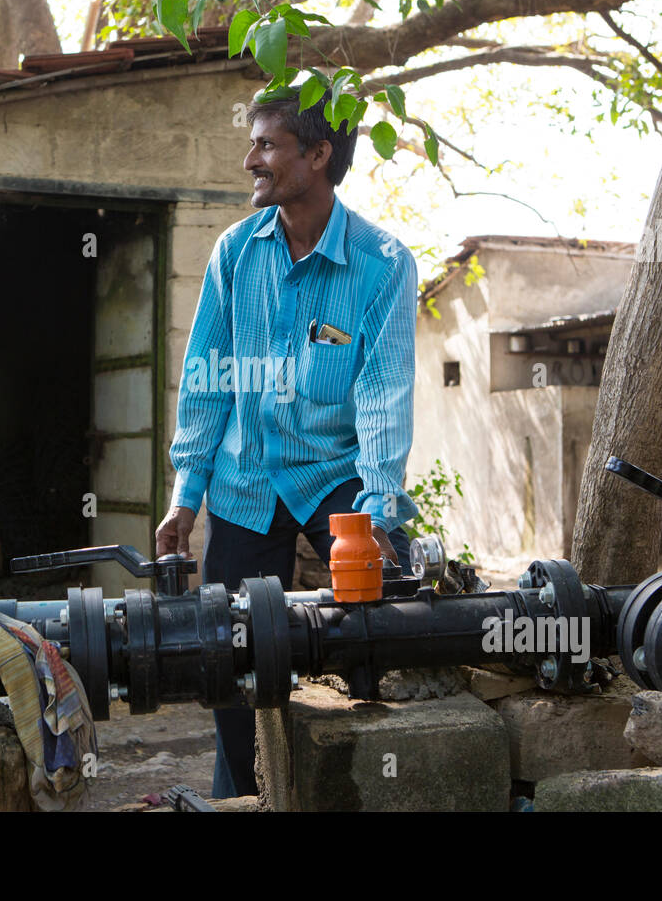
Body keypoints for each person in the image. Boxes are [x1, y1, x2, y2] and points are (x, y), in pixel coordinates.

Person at [155, 89, 420, 798]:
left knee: (371, 645)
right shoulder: (235, 254)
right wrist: (185, 497)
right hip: (244, 481)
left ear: (319, 155)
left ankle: (359, 788)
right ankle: (242, 795)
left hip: (335, 477)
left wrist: (379, 512)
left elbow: (383, 395)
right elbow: (206, 380)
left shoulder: (383, 262)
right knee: (226, 659)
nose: (251, 160)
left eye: (267, 145)